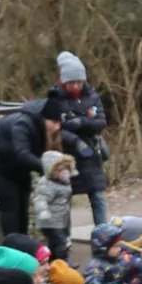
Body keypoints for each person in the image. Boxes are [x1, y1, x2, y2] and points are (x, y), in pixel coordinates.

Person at [0, 96, 62, 237]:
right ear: (43, 119)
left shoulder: (47, 129)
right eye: (54, 122)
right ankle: (12, 245)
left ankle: (23, 241)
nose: (57, 127)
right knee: (11, 203)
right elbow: (23, 154)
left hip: (16, 166)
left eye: (59, 123)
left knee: (23, 204)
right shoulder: (22, 124)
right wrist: (49, 168)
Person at [50, 51, 112, 227]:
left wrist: (81, 122)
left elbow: (101, 121)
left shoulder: (92, 96)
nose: (76, 86)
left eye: (79, 81)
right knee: (65, 198)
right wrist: (74, 140)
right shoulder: (54, 99)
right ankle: (64, 236)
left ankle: (103, 232)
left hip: (91, 153)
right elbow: (55, 129)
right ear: (63, 81)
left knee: (97, 195)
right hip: (66, 156)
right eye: (72, 82)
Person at [33, 149, 78, 255]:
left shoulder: (64, 182)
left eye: (67, 169)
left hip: (61, 219)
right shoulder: (47, 184)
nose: (66, 173)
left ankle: (53, 260)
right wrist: (43, 210)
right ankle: (62, 261)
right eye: (62, 170)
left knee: (55, 243)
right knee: (60, 243)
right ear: (53, 171)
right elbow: (41, 198)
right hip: (50, 221)